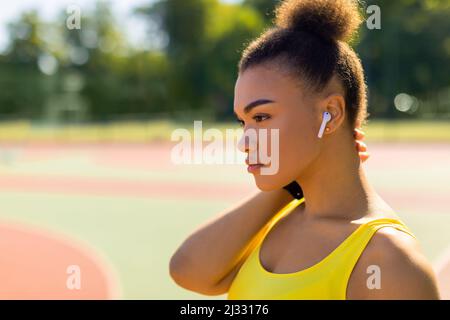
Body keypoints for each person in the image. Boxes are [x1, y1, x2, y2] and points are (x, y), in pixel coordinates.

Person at [169, 0, 440, 299]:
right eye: (243, 122)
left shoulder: (387, 261)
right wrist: (288, 187)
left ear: (331, 114)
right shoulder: (275, 225)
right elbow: (187, 270)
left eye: (261, 117)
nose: (244, 142)